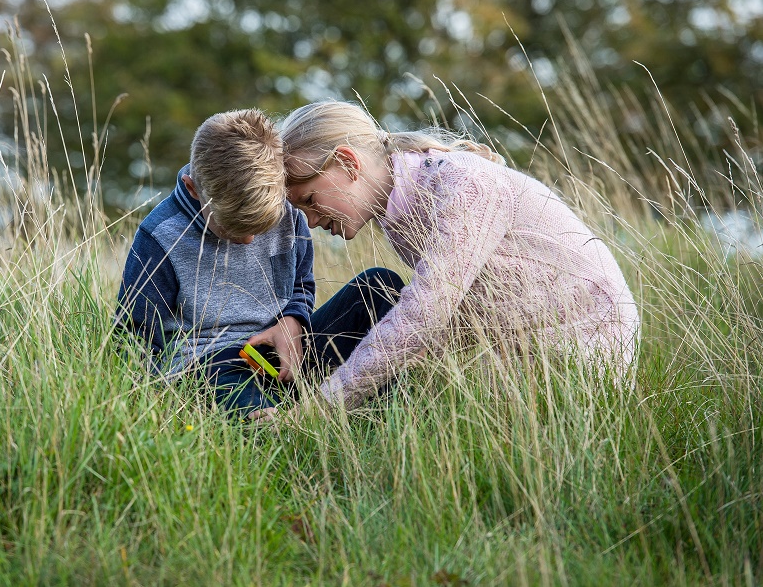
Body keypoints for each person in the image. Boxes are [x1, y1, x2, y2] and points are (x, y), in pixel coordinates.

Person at [270, 100, 640, 414]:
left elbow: (425, 314)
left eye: (309, 200)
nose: (311, 221)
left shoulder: (463, 184)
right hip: (519, 357)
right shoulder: (399, 213)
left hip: (584, 352)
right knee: (377, 299)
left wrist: (320, 410)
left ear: (349, 164)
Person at [116, 108, 404, 418]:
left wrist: (293, 320)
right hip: (212, 367)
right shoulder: (161, 235)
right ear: (193, 189)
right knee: (256, 418)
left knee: (380, 288)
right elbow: (135, 335)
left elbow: (300, 285)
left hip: (287, 354)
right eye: (233, 228)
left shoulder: (288, 210)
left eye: (261, 227)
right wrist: (147, 399)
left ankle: (387, 417)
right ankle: (280, 423)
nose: (249, 240)